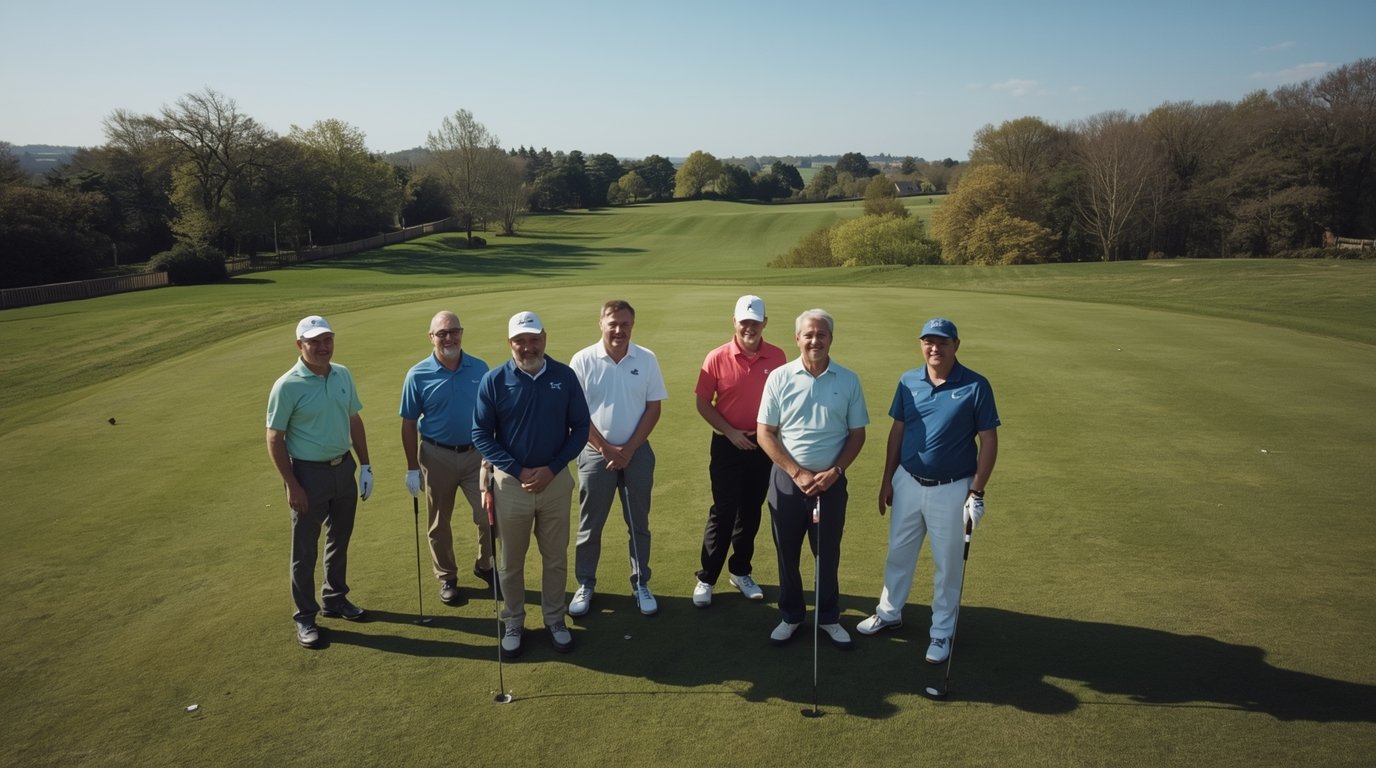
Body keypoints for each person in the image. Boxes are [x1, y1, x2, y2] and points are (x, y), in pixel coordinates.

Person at [857, 317, 1000, 666]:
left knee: (948, 564)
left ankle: (941, 631)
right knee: (898, 553)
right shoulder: (909, 381)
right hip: (907, 481)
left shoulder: (975, 385)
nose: (934, 348)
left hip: (952, 489)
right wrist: (887, 479)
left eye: (942, 342)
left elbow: (989, 440)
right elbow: (897, 431)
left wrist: (976, 492)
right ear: (921, 344)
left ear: (956, 345)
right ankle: (889, 612)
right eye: (928, 342)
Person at [471, 311, 590, 659]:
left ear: (545, 338)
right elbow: (481, 433)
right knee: (510, 561)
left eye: (534, 338)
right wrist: (517, 469)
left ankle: (555, 619)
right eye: (520, 340)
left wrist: (553, 468)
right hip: (510, 484)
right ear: (510, 343)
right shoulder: (494, 381)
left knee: (554, 558)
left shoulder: (564, 377)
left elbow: (580, 428)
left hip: (554, 482)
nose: (528, 346)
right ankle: (513, 621)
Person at [757, 309, 867, 650]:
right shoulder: (779, 377)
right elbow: (765, 433)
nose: (815, 340)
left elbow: (857, 434)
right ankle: (791, 616)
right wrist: (796, 472)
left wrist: (835, 472)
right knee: (786, 553)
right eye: (809, 334)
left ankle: (829, 617)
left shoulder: (848, 380)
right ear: (798, 338)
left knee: (828, 553)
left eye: (821, 334)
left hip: (831, 484)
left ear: (831, 338)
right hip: (788, 483)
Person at [265, 315, 373, 649]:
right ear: (300, 345)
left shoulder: (343, 374)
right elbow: (274, 437)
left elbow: (353, 418)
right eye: (314, 342)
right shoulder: (287, 385)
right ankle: (305, 617)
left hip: (344, 468)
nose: (322, 347)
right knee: (304, 550)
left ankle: (335, 598)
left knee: (339, 538)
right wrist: (292, 485)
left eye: (327, 340)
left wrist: (365, 464)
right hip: (308, 474)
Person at [567, 300, 669, 617]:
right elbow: (576, 413)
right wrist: (606, 449)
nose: (618, 330)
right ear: (601, 324)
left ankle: (641, 584)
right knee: (590, 525)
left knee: (639, 524)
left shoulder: (647, 359)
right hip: (595, 454)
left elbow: (654, 407)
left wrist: (628, 449)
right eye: (612, 323)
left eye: (624, 324)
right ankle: (585, 584)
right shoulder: (583, 360)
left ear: (632, 326)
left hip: (637, 453)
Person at [691, 295, 787, 607]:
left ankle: (741, 571)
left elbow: (784, 401)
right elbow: (703, 402)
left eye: (755, 322)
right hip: (727, 444)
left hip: (763, 445)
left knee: (751, 509)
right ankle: (706, 577)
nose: (749, 327)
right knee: (724, 509)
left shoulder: (777, 357)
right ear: (734, 322)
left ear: (764, 323)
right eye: (744, 322)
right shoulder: (717, 357)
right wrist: (730, 433)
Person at [399, 310, 492, 607]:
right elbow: (409, 422)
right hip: (435, 455)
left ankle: (485, 565)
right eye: (442, 333)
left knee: (489, 515)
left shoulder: (480, 368)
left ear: (462, 333)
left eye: (454, 331)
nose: (449, 337)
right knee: (439, 522)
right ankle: (447, 577)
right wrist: (412, 467)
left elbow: (491, 415)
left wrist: (493, 456)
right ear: (431, 337)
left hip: (476, 454)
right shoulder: (417, 374)